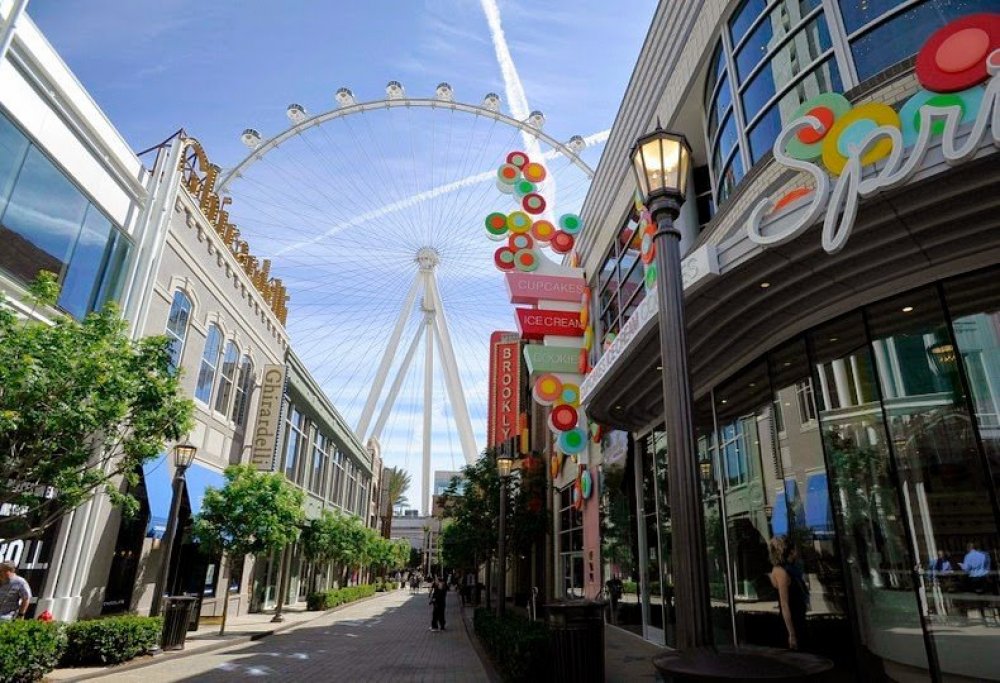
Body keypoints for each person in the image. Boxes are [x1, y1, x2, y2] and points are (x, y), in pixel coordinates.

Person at [768, 536, 808, 651]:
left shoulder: (792, 570)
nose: (797, 552)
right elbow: (784, 604)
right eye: (795, 549)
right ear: (789, 552)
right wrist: (792, 634)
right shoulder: (781, 572)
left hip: (799, 616)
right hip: (792, 621)